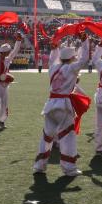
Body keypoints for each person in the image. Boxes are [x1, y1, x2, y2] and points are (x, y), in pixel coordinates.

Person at [33, 35, 92, 177]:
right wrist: (85, 41)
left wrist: (55, 48)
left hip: (50, 105)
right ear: (72, 58)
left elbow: (53, 58)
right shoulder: (71, 68)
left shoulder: (53, 67)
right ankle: (69, 168)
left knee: (47, 136)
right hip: (63, 105)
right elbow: (84, 58)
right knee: (68, 136)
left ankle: (39, 165)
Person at [0, 36, 22, 129]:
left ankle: (1, 121)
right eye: (8, 52)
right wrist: (1, 77)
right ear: (3, 52)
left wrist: (18, 41)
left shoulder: (7, 59)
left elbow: (15, 51)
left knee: (4, 103)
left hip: (5, 84)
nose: (9, 53)